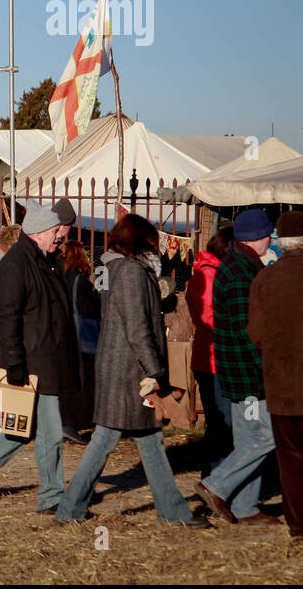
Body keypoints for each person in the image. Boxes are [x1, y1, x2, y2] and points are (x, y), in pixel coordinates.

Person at [55, 215, 209, 528]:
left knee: (144, 440)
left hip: (122, 369)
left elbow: (129, 314)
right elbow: (137, 327)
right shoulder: (129, 272)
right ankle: (72, 509)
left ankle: (170, 511)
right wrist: (156, 369)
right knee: (109, 440)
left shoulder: (115, 268)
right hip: (130, 373)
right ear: (141, 241)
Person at [0, 202, 78, 513]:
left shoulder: (41, 260)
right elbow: (7, 320)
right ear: (38, 233)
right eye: (55, 233)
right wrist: (14, 366)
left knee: (20, 430)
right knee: (46, 434)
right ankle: (51, 497)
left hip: (42, 362)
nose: (59, 238)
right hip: (33, 364)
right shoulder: (17, 266)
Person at [198, 208, 279, 525]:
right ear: (257, 237)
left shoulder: (236, 266)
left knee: (249, 440)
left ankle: (246, 508)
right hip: (249, 375)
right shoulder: (244, 273)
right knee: (268, 436)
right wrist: (266, 366)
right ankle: (215, 485)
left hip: (235, 371)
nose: (271, 238)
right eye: (268, 233)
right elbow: (250, 331)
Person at [247, 211, 303, 548]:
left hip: (283, 384)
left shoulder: (265, 280)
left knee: (291, 457)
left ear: (281, 242)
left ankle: (298, 527)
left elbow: (255, 333)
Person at [186, 226, 234, 476]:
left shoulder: (207, 271)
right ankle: (216, 477)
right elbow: (209, 317)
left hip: (210, 356)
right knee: (221, 422)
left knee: (218, 421)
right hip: (213, 359)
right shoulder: (209, 274)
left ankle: (214, 475)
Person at [58, 240, 101, 444]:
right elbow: (87, 309)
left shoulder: (60, 278)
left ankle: (67, 423)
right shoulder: (80, 282)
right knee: (85, 386)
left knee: (69, 384)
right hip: (82, 338)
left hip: (64, 338)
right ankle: (75, 423)